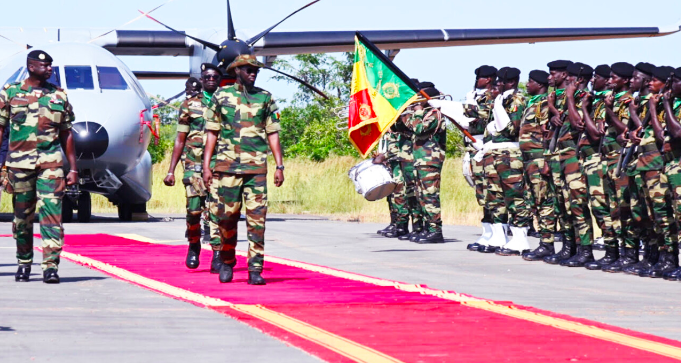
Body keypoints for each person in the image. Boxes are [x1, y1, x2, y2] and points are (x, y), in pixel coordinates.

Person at [203, 55, 284, 285]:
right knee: (226, 219)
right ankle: (227, 261)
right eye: (248, 69)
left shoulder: (265, 97)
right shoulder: (221, 96)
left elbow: (273, 133)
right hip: (227, 168)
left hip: (256, 170)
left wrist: (279, 166)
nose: (253, 73)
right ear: (236, 70)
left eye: (255, 70)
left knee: (257, 220)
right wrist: (206, 167)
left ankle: (255, 269)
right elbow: (211, 132)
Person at [0, 50, 77, 283]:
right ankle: (24, 263)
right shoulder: (10, 93)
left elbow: (67, 133)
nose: (50, 69)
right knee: (22, 220)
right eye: (45, 66)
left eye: (51, 65)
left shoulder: (59, 96)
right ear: (32, 67)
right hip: (19, 166)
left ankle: (50, 267)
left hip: (51, 165)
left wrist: (72, 168)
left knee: (52, 216)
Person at [165, 65, 223, 272]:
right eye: (207, 76)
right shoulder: (189, 105)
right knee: (194, 210)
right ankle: (193, 245)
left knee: (217, 211)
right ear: (202, 79)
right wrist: (171, 170)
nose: (210, 79)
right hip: (194, 165)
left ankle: (217, 253)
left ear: (219, 79)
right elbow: (180, 139)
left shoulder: (227, 103)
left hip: (219, 165)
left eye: (215, 77)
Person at [476, 67, 531, 255]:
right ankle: (499, 235)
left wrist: (496, 122)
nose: (497, 84)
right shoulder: (499, 99)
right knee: (495, 196)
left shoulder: (516, 99)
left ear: (512, 82)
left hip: (509, 152)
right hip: (494, 152)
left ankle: (520, 238)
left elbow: (512, 129)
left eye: (502, 81)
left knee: (514, 195)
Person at [578, 65, 617, 270]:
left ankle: (613, 252)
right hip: (591, 160)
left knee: (604, 208)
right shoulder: (597, 100)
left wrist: (584, 109)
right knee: (597, 207)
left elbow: (595, 134)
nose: (594, 80)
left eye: (598, 77)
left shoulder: (604, 101)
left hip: (601, 161)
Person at [519, 70, 558, 260]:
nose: (527, 85)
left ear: (540, 85)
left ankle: (547, 244)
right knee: (534, 200)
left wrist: (547, 160)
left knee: (544, 201)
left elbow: (547, 133)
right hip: (529, 159)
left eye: (531, 82)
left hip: (539, 158)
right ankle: (544, 241)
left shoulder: (543, 103)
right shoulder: (531, 102)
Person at [403, 82, 446, 244]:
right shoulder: (425, 112)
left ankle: (436, 230)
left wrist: (418, 113)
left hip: (430, 160)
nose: (417, 102)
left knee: (430, 195)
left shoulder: (434, 113)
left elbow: (419, 129)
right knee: (421, 195)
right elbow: (409, 126)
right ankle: (428, 227)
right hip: (420, 160)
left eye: (420, 99)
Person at [463, 65, 497, 251]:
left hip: (485, 146)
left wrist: (469, 106)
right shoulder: (476, 96)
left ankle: (494, 233)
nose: (478, 80)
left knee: (489, 192)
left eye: (482, 78)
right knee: (481, 192)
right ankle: (488, 232)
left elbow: (483, 116)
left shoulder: (491, 97)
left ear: (489, 79)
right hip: (474, 147)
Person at [542, 60, 573, 263]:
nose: (549, 78)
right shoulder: (554, 97)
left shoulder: (572, 97)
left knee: (572, 205)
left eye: (553, 74)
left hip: (569, 156)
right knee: (559, 204)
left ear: (564, 75)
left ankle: (578, 248)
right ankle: (567, 247)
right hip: (555, 156)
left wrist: (553, 109)